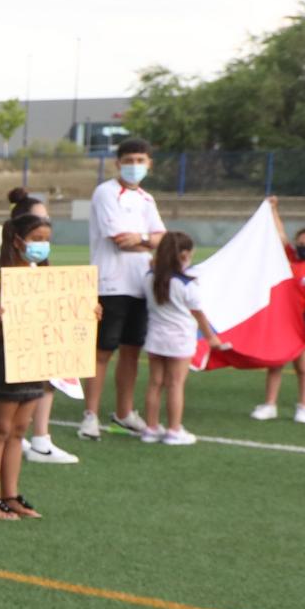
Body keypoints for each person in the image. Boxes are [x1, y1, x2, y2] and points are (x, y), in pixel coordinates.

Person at [0, 213, 76, 520]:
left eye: (46, 240)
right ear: (17, 241)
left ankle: (11, 495)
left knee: (18, 430)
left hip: (36, 358)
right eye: (36, 239)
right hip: (5, 357)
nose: (42, 246)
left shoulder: (46, 279)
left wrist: (88, 311)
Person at [82, 137, 164, 440]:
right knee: (102, 351)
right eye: (128, 160)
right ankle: (90, 414)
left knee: (132, 351)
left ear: (149, 164)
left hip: (142, 285)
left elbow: (161, 238)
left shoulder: (147, 199)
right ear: (118, 163)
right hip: (110, 283)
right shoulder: (105, 193)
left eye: (140, 160)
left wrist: (142, 239)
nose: (134, 166)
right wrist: (148, 241)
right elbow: (120, 239)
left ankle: (124, 412)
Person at [4, 191, 77, 464]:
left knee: (48, 379)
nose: (45, 223)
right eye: (39, 218)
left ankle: (38, 439)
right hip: (19, 343)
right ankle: (32, 438)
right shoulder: (9, 270)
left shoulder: (40, 267)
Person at [140, 232, 222, 444]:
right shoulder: (186, 284)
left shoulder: (150, 277)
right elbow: (199, 315)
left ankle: (150, 427)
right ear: (184, 255)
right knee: (175, 384)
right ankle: (174, 430)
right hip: (179, 339)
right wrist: (211, 338)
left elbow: (154, 266)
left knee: (155, 383)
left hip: (155, 337)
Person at [253, 226, 305, 425]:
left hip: (300, 325)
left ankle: (304, 407)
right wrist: (274, 210)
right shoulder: (291, 260)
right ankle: (270, 404)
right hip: (282, 322)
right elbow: (281, 237)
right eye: (301, 244)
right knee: (275, 364)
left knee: (303, 367)